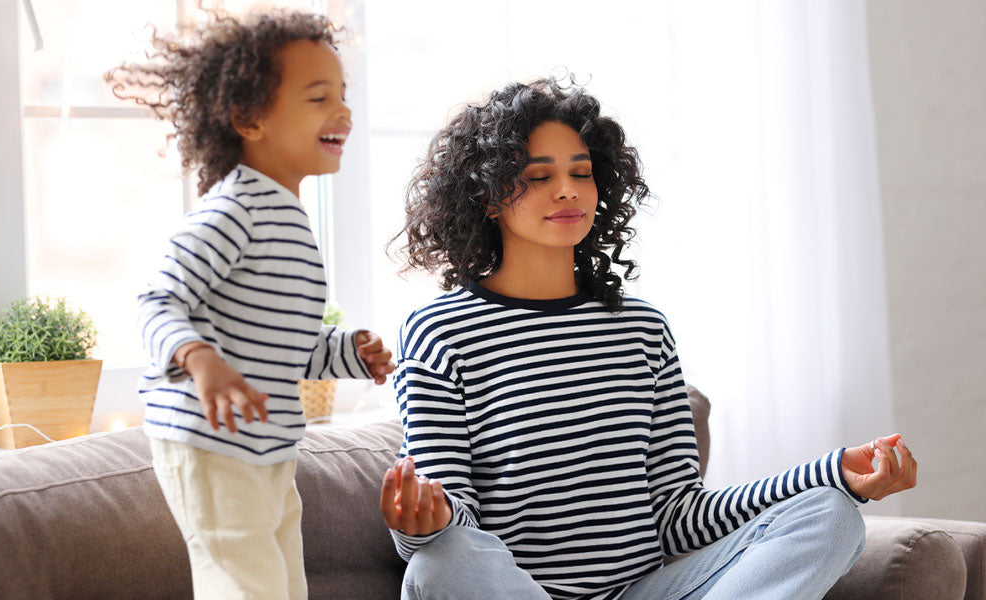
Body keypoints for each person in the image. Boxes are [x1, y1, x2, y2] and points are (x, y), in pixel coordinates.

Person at [380, 78, 916, 600]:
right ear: (488, 197)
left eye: (581, 172)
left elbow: (679, 516)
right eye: (538, 176)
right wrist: (427, 523)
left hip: (648, 590)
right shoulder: (439, 332)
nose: (567, 189)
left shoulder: (642, 329)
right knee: (439, 561)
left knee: (830, 514)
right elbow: (449, 528)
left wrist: (832, 473)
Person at [107, 9, 394, 599]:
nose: (343, 112)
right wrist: (200, 361)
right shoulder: (233, 208)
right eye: (319, 98)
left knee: (284, 583)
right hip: (209, 440)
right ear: (248, 118)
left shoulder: (288, 220)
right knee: (244, 585)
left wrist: (348, 354)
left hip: (268, 444)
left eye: (343, 95)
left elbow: (287, 346)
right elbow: (155, 299)